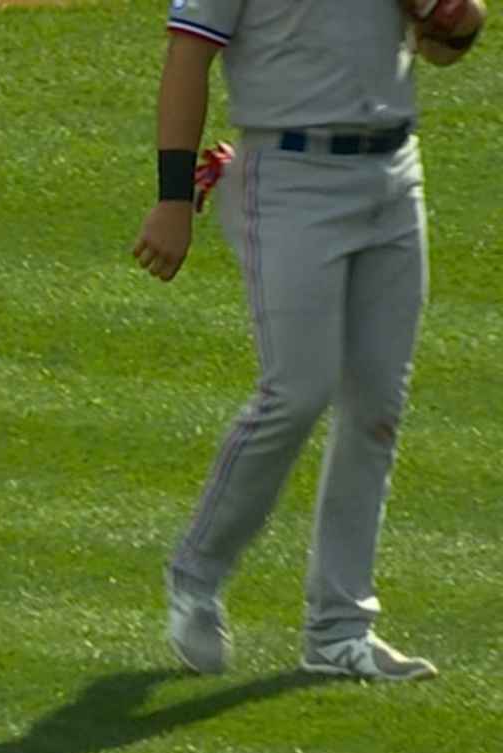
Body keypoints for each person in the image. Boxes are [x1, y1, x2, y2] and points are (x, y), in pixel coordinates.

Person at [133, 0, 483, 681]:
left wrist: (453, 18)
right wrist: (173, 199)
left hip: (392, 175)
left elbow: (444, 46)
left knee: (377, 407)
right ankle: (196, 576)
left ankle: (339, 629)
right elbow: (187, 59)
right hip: (290, 178)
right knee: (297, 390)